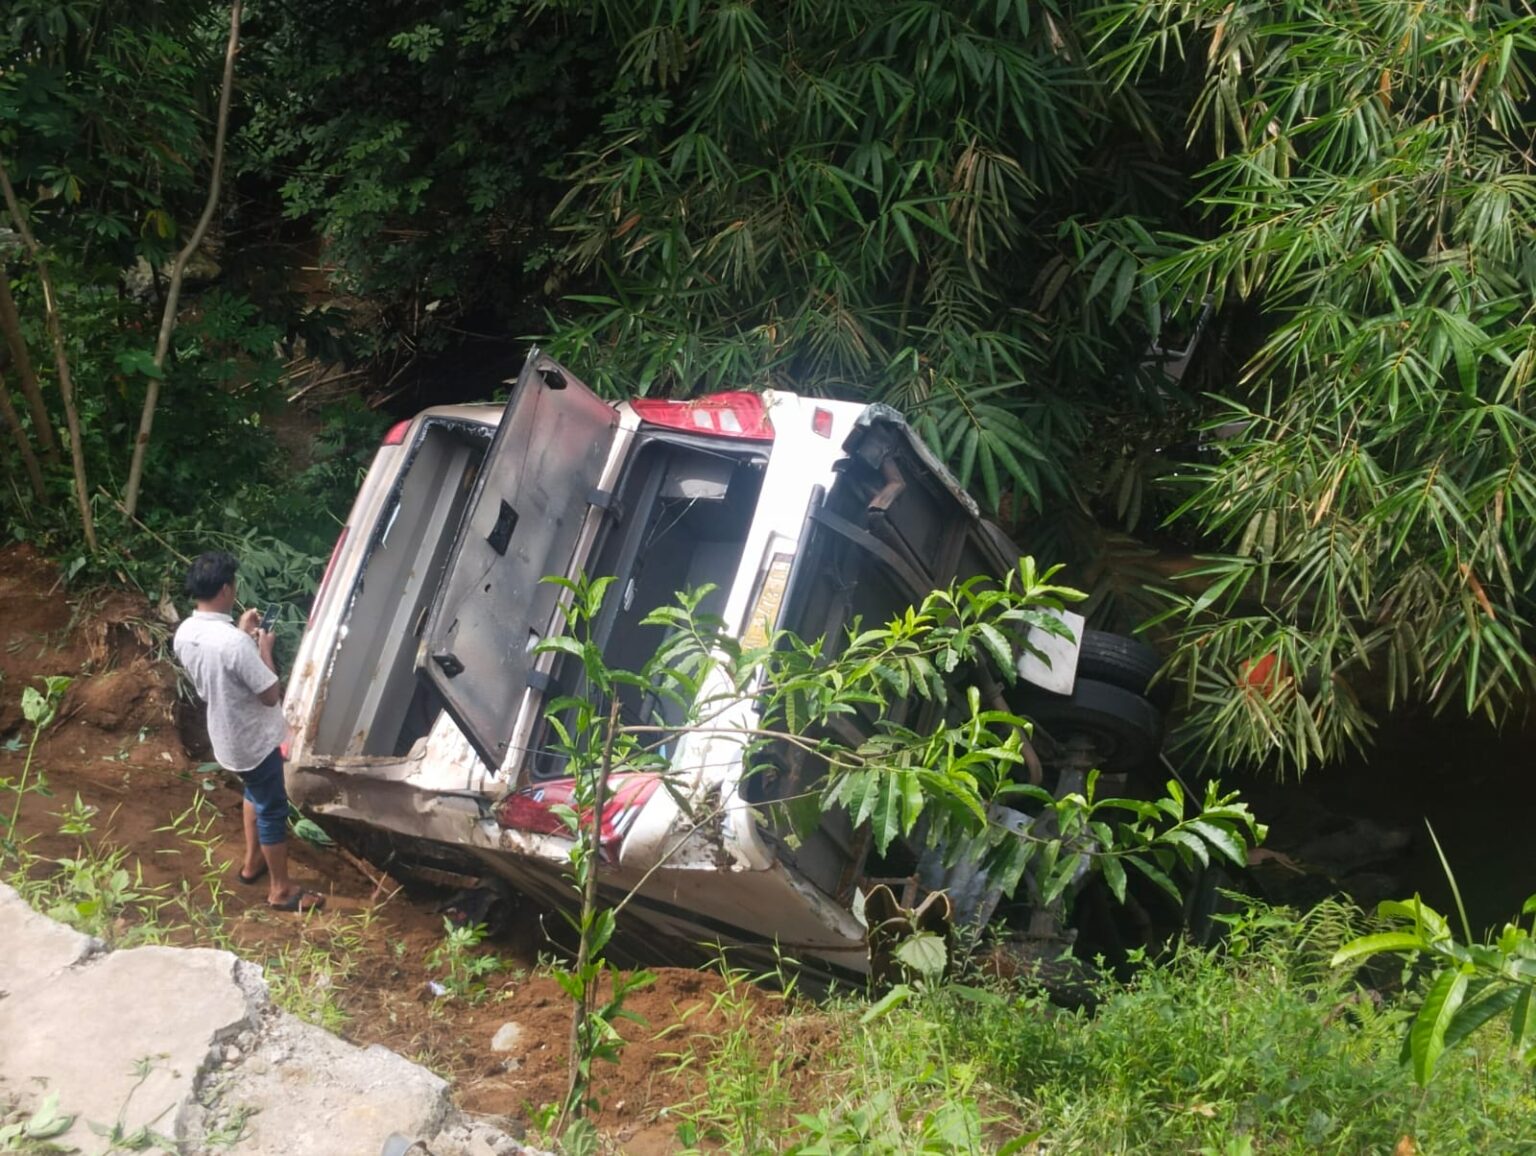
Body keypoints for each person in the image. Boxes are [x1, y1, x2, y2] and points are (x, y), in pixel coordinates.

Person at [173, 551, 323, 913]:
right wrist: (262, 647)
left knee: (254, 793)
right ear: (226, 588)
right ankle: (281, 890)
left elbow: (222, 669)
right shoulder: (235, 644)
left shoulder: (186, 632)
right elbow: (270, 695)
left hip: (226, 738)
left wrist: (241, 635)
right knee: (272, 808)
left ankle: (252, 863)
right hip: (253, 741)